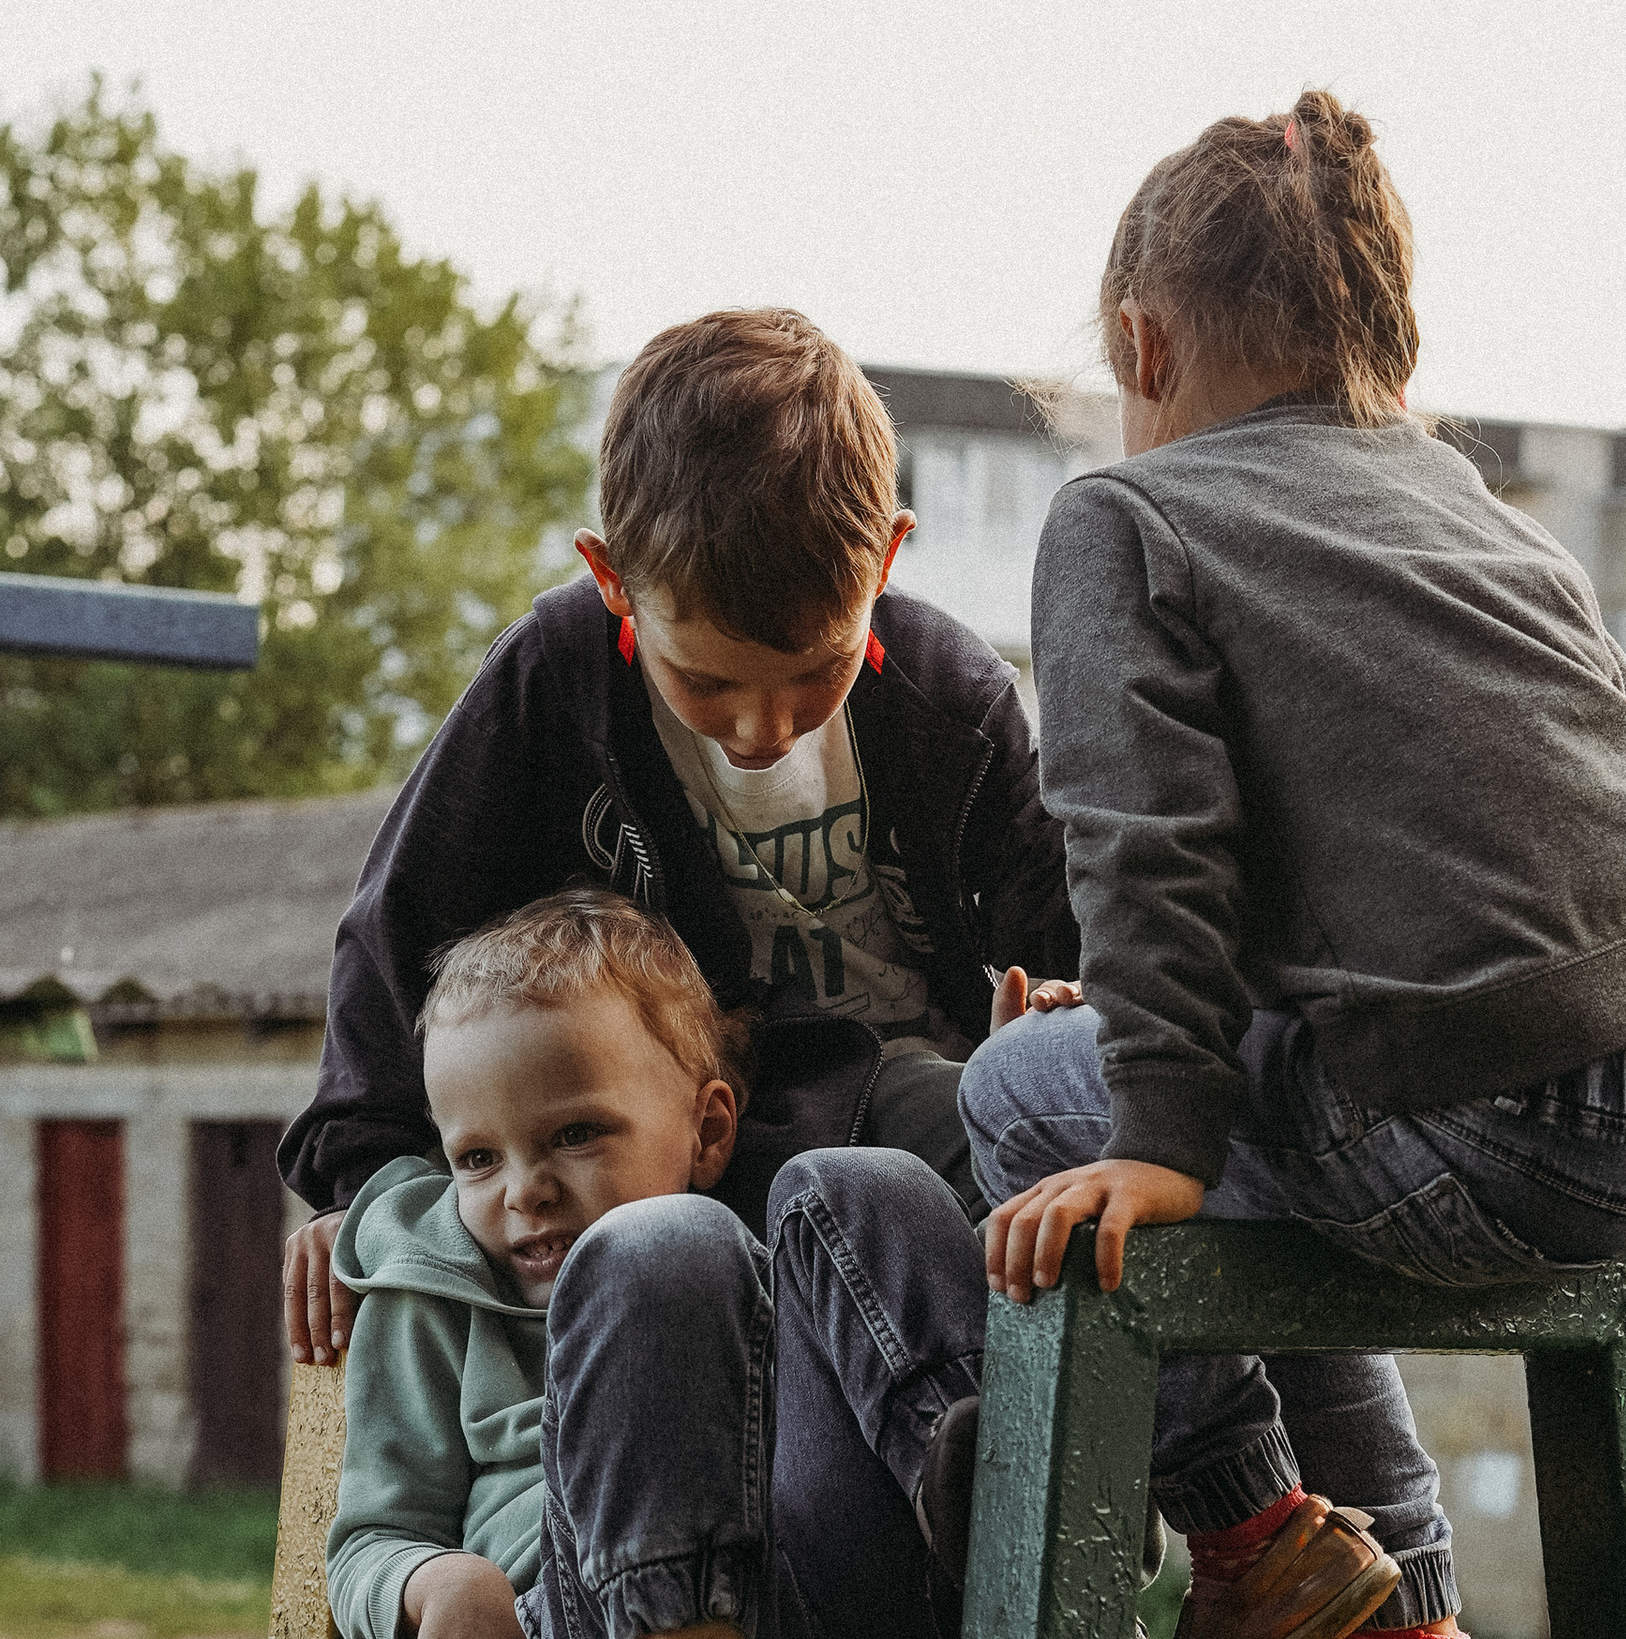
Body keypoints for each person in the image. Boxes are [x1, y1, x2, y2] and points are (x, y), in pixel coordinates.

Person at [945, 91, 1626, 1639]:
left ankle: (1257, 1539)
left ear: (1141, 345)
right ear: (1390, 343)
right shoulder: (1470, 508)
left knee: (1018, 1093)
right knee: (1283, 1089)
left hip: (1504, 1133)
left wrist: (1158, 1134)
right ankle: (1407, 1611)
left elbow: (1144, 841)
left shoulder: (1130, 517)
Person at [280, 308, 1081, 1368]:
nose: (762, 729)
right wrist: (362, 1177)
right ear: (613, 578)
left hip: (901, 1092)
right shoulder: (556, 679)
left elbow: (1053, 913)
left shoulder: (952, 695)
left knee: (1014, 1139)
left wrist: (1065, 1003)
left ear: (887, 558)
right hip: (691, 1121)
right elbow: (403, 919)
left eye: (816, 673)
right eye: (705, 682)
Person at [323, 890, 990, 1639]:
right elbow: (368, 1541)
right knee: (652, 1245)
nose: (524, 1190)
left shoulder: (745, 1269)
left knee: (861, 1183)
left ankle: (1015, 1521)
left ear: (709, 1128)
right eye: (476, 1158)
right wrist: (439, 1583)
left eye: (576, 1134)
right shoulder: (434, 1297)